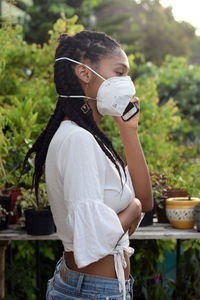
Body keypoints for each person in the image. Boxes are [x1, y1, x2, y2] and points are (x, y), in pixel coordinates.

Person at [23, 30, 153, 300]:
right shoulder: (77, 139)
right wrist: (133, 210)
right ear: (84, 73)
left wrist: (129, 131)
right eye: (119, 72)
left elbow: (145, 201)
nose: (127, 83)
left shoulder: (90, 138)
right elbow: (94, 240)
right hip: (91, 292)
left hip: (100, 288)